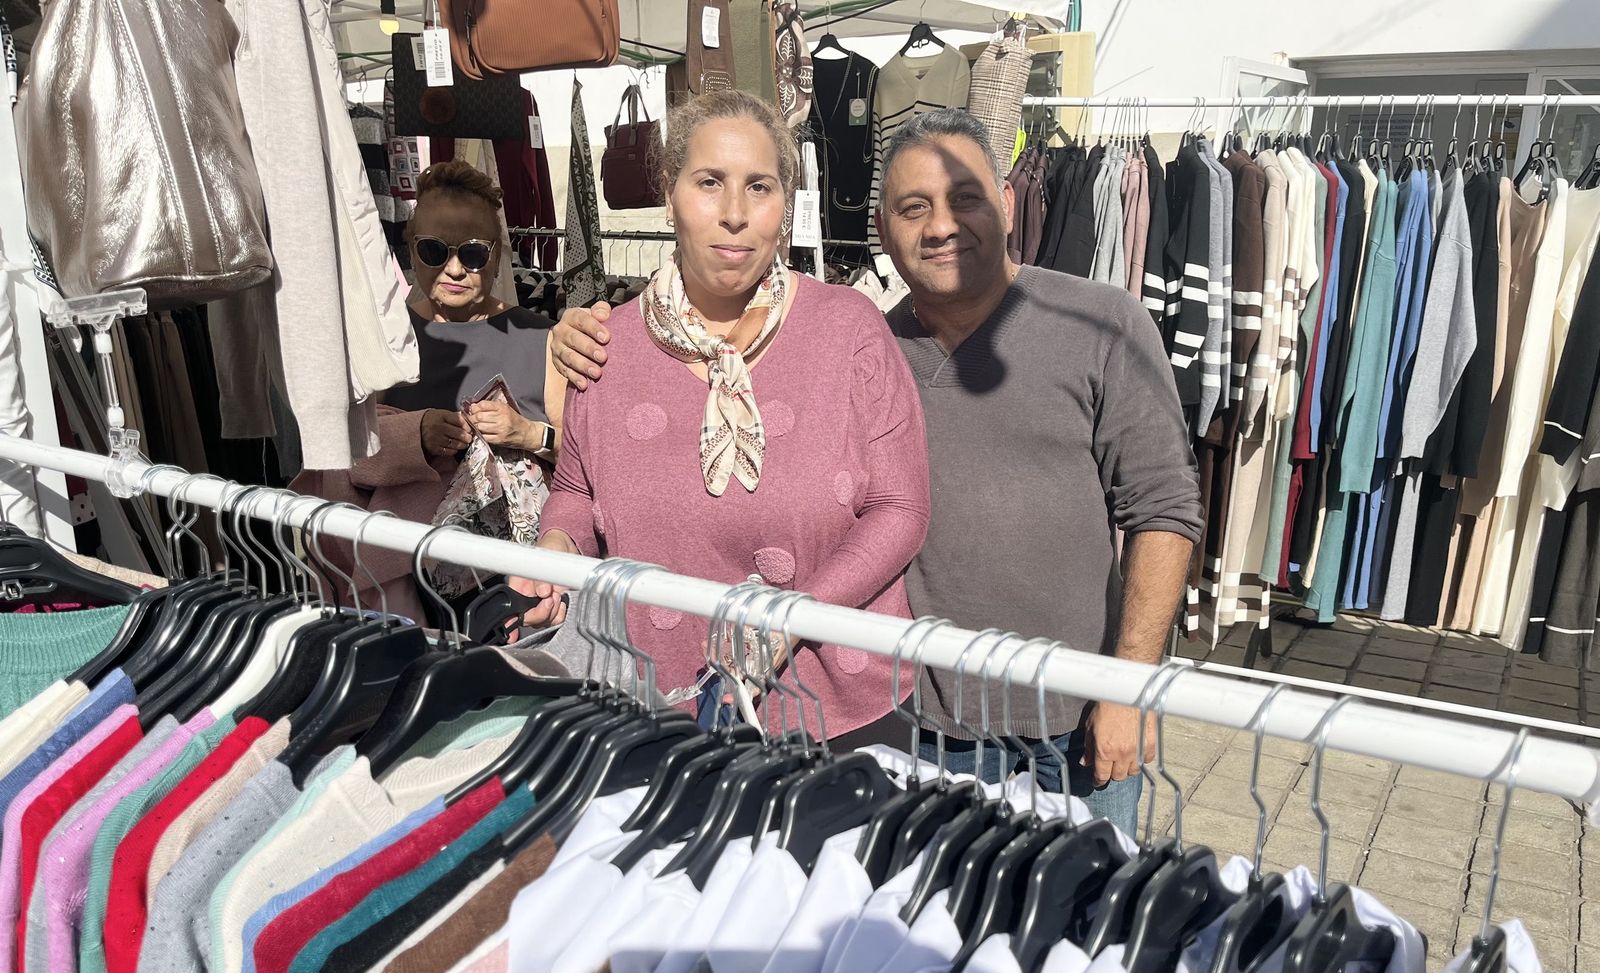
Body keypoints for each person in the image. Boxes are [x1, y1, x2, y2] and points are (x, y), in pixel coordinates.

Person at [550, 108, 1201, 835]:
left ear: (1009, 202)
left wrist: (1130, 683)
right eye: (912, 208)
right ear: (885, 232)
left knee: (1084, 921)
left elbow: (1164, 512)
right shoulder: (859, 347)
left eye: (965, 199)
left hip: (1074, 717)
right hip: (919, 718)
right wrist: (584, 333)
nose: (941, 226)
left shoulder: (1100, 324)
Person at [510, 89, 931, 743]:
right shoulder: (605, 346)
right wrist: (556, 553)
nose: (734, 214)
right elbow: (575, 490)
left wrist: (794, 616)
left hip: (836, 712)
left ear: (784, 206)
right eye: (710, 183)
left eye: (758, 187)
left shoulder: (848, 330)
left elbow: (902, 509)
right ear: (670, 192)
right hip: (657, 705)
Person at [295, 160, 566, 622]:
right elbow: (339, 452)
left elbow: (581, 463)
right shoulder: (383, 341)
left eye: (474, 253)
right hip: (400, 580)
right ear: (411, 251)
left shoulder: (540, 337)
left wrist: (527, 435)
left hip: (510, 582)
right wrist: (413, 435)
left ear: (498, 255)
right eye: (434, 250)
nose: (455, 269)